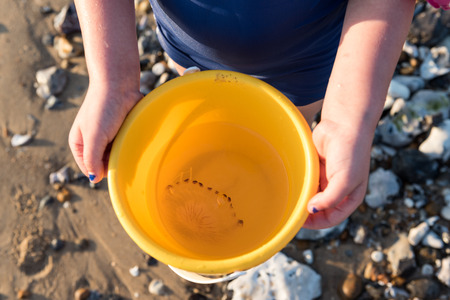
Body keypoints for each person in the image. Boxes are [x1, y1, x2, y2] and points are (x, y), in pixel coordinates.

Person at [69, 0, 418, 230]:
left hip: (305, 65)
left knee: (284, 129)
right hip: (188, 45)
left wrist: (345, 119)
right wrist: (113, 79)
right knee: (202, 114)